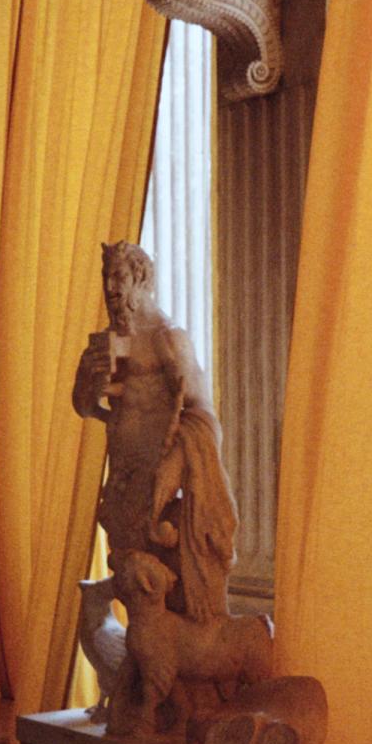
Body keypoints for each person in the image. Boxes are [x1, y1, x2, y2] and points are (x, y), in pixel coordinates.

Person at [72, 241, 237, 623]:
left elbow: (203, 413)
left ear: (140, 278)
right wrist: (88, 384)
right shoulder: (107, 343)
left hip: (157, 479)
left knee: (161, 581)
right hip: (122, 478)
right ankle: (145, 653)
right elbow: (84, 408)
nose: (110, 288)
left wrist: (177, 462)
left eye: (118, 276)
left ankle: (174, 655)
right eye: (106, 277)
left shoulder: (168, 338)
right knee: (129, 576)